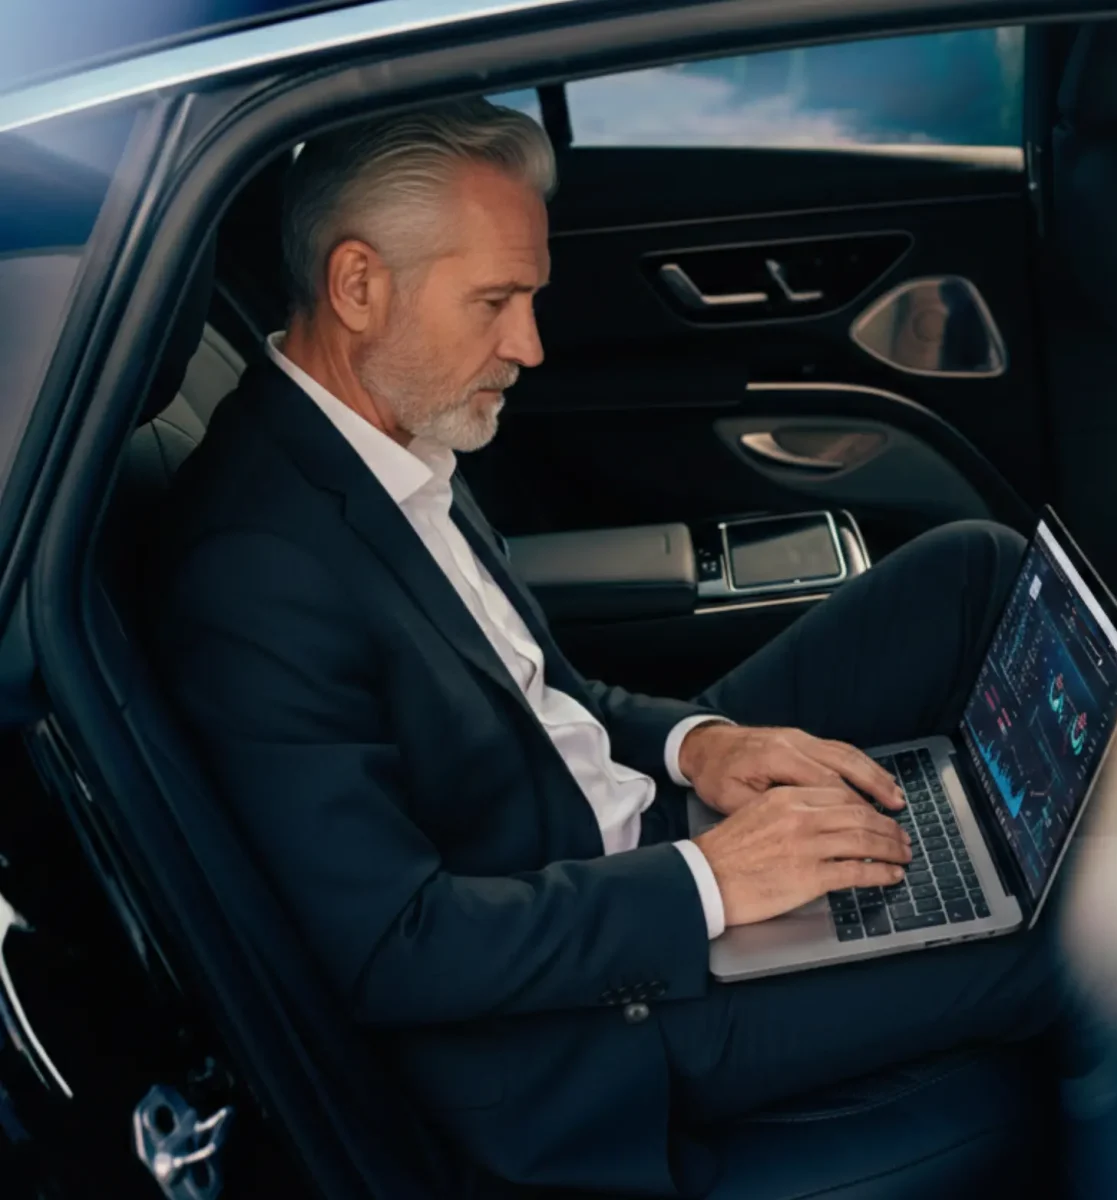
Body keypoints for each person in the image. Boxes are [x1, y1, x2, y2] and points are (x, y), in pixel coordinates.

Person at [153, 99, 1059, 1195]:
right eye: (496, 301)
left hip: (622, 828)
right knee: (1081, 935)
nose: (529, 344)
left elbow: (541, 701)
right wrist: (712, 883)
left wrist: (699, 748)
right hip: (600, 1009)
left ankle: (1053, 817)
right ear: (357, 287)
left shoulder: (380, 437)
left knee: (970, 571)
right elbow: (395, 947)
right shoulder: (255, 569)